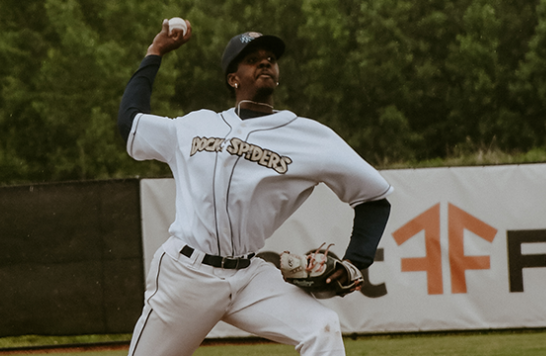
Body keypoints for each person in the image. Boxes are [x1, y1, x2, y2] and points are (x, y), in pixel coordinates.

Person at [117, 19, 393, 356]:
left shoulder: (310, 137)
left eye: (270, 59)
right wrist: (155, 52)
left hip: (249, 277)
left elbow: (374, 198)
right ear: (233, 78)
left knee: (322, 328)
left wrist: (354, 261)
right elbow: (129, 121)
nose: (264, 62)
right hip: (186, 275)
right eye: (252, 59)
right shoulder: (192, 126)